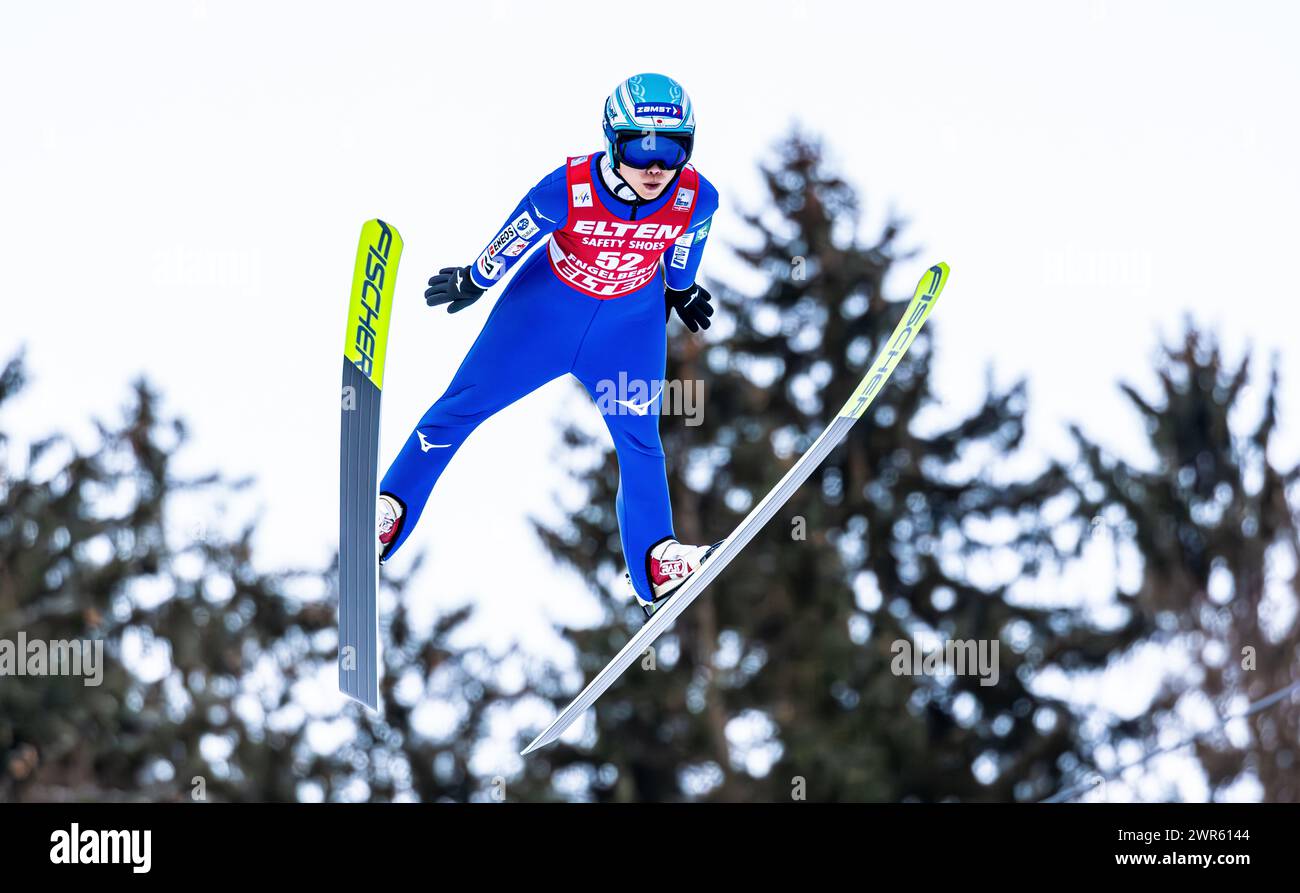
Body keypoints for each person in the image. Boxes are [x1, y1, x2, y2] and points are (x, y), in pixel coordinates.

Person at [377, 72, 720, 611]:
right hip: (543, 315)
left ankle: (656, 562)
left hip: (628, 328)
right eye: (640, 148)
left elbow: (685, 247)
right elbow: (517, 234)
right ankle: (389, 507)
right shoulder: (569, 187)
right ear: (614, 141)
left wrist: (679, 290)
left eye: (672, 150)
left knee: (640, 442)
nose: (655, 167)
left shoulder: (696, 197)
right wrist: (476, 278)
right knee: (461, 407)